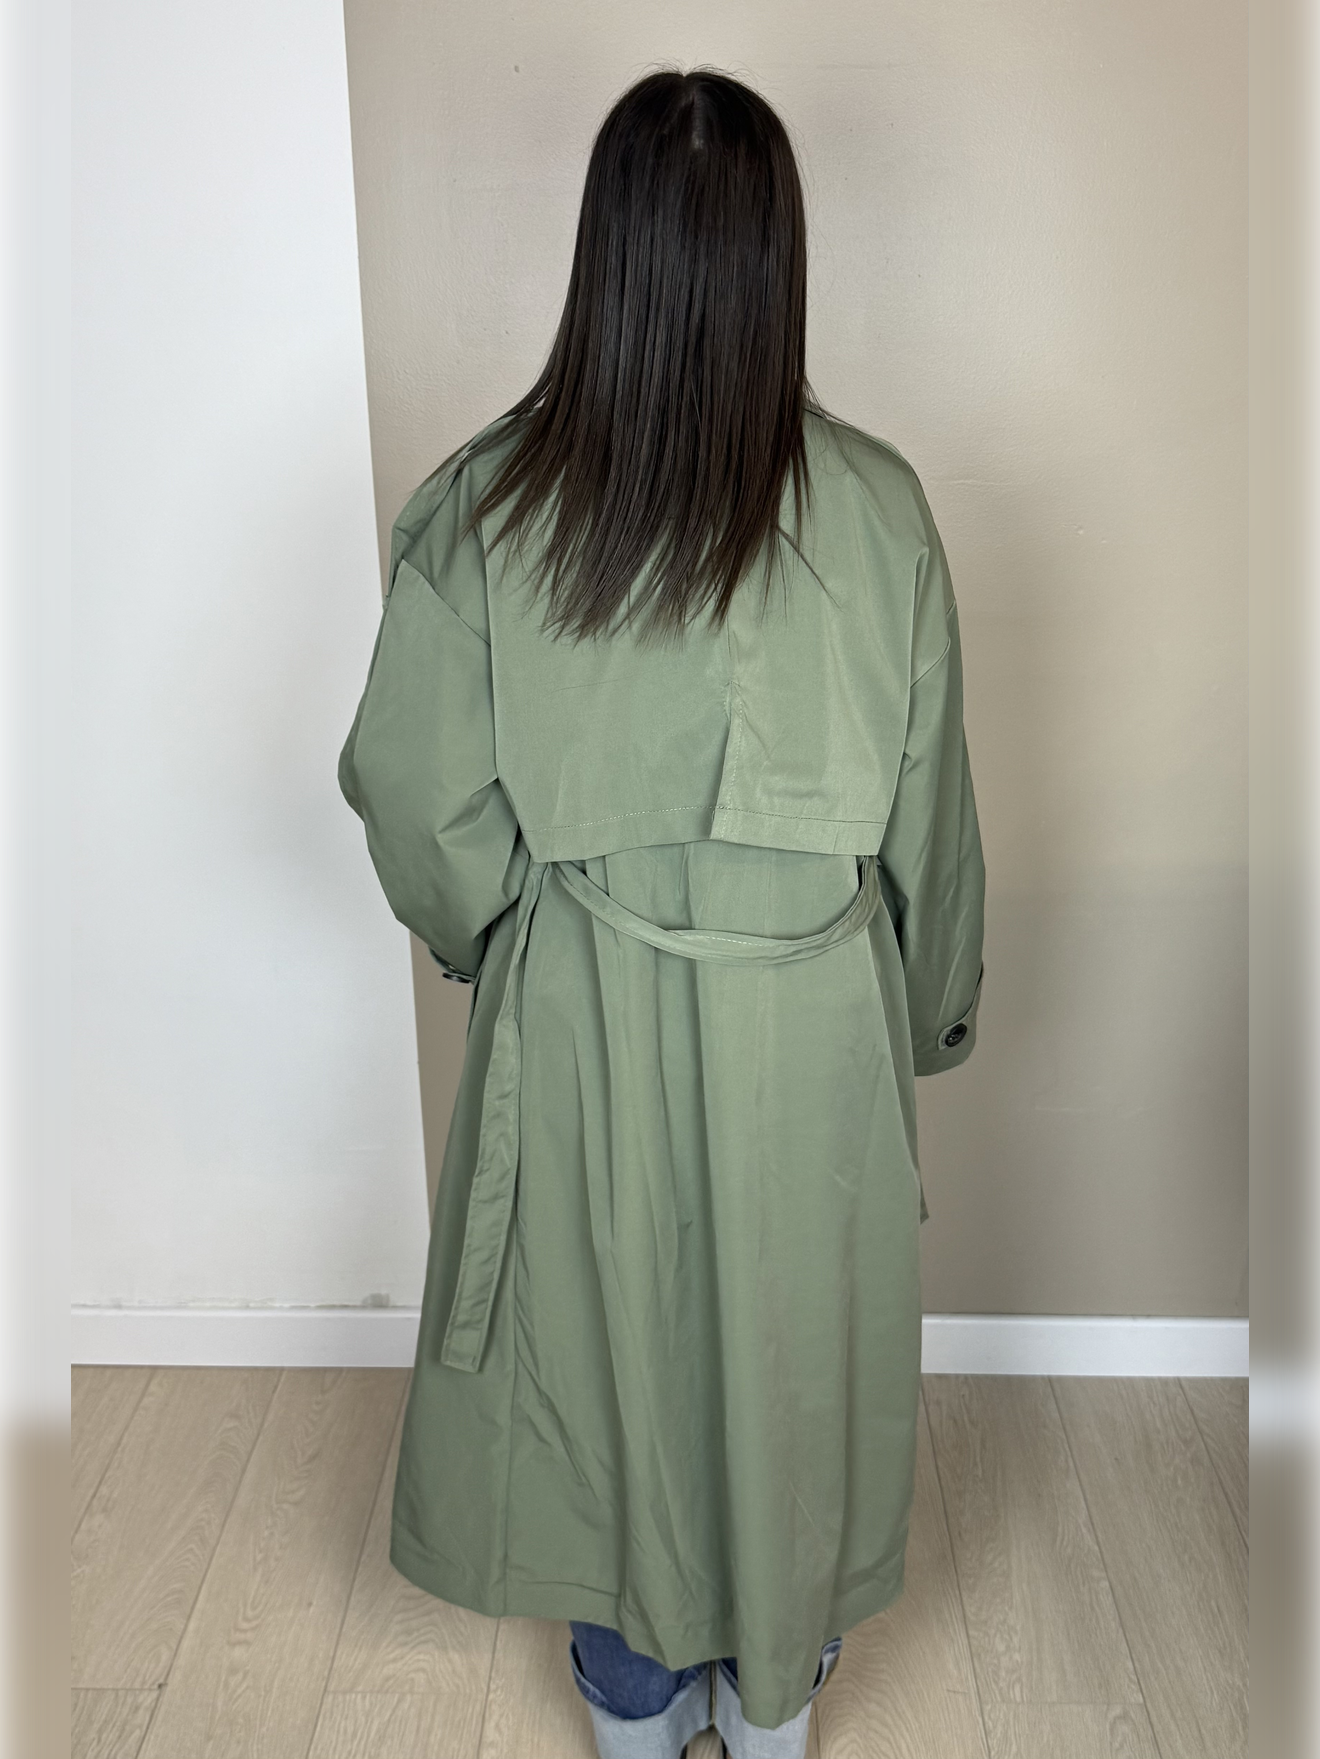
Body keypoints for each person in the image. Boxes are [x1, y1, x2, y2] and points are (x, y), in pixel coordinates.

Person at [340, 66, 984, 1759]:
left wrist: (500, 931)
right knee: (790, 1368)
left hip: (584, 1014)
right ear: (779, 257)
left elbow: (413, 792)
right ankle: (775, 1708)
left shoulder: (489, 507)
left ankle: (632, 1711)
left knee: (599, 1366)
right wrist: (926, 1007)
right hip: (814, 1029)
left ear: (604, 254)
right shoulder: (884, 510)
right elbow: (931, 821)